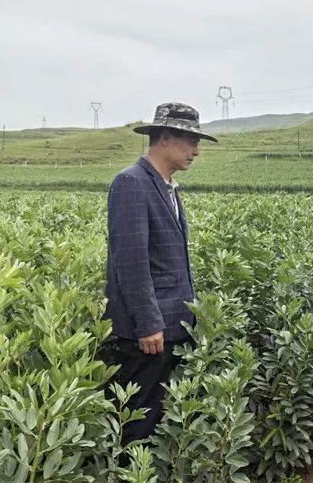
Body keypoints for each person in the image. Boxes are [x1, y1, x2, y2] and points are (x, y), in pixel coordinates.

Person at [104, 102, 217, 445]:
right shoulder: (132, 182)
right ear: (165, 138)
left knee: (159, 415)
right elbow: (132, 261)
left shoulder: (166, 185)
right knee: (140, 420)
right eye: (190, 141)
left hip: (172, 324)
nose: (196, 151)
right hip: (151, 332)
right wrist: (149, 323)